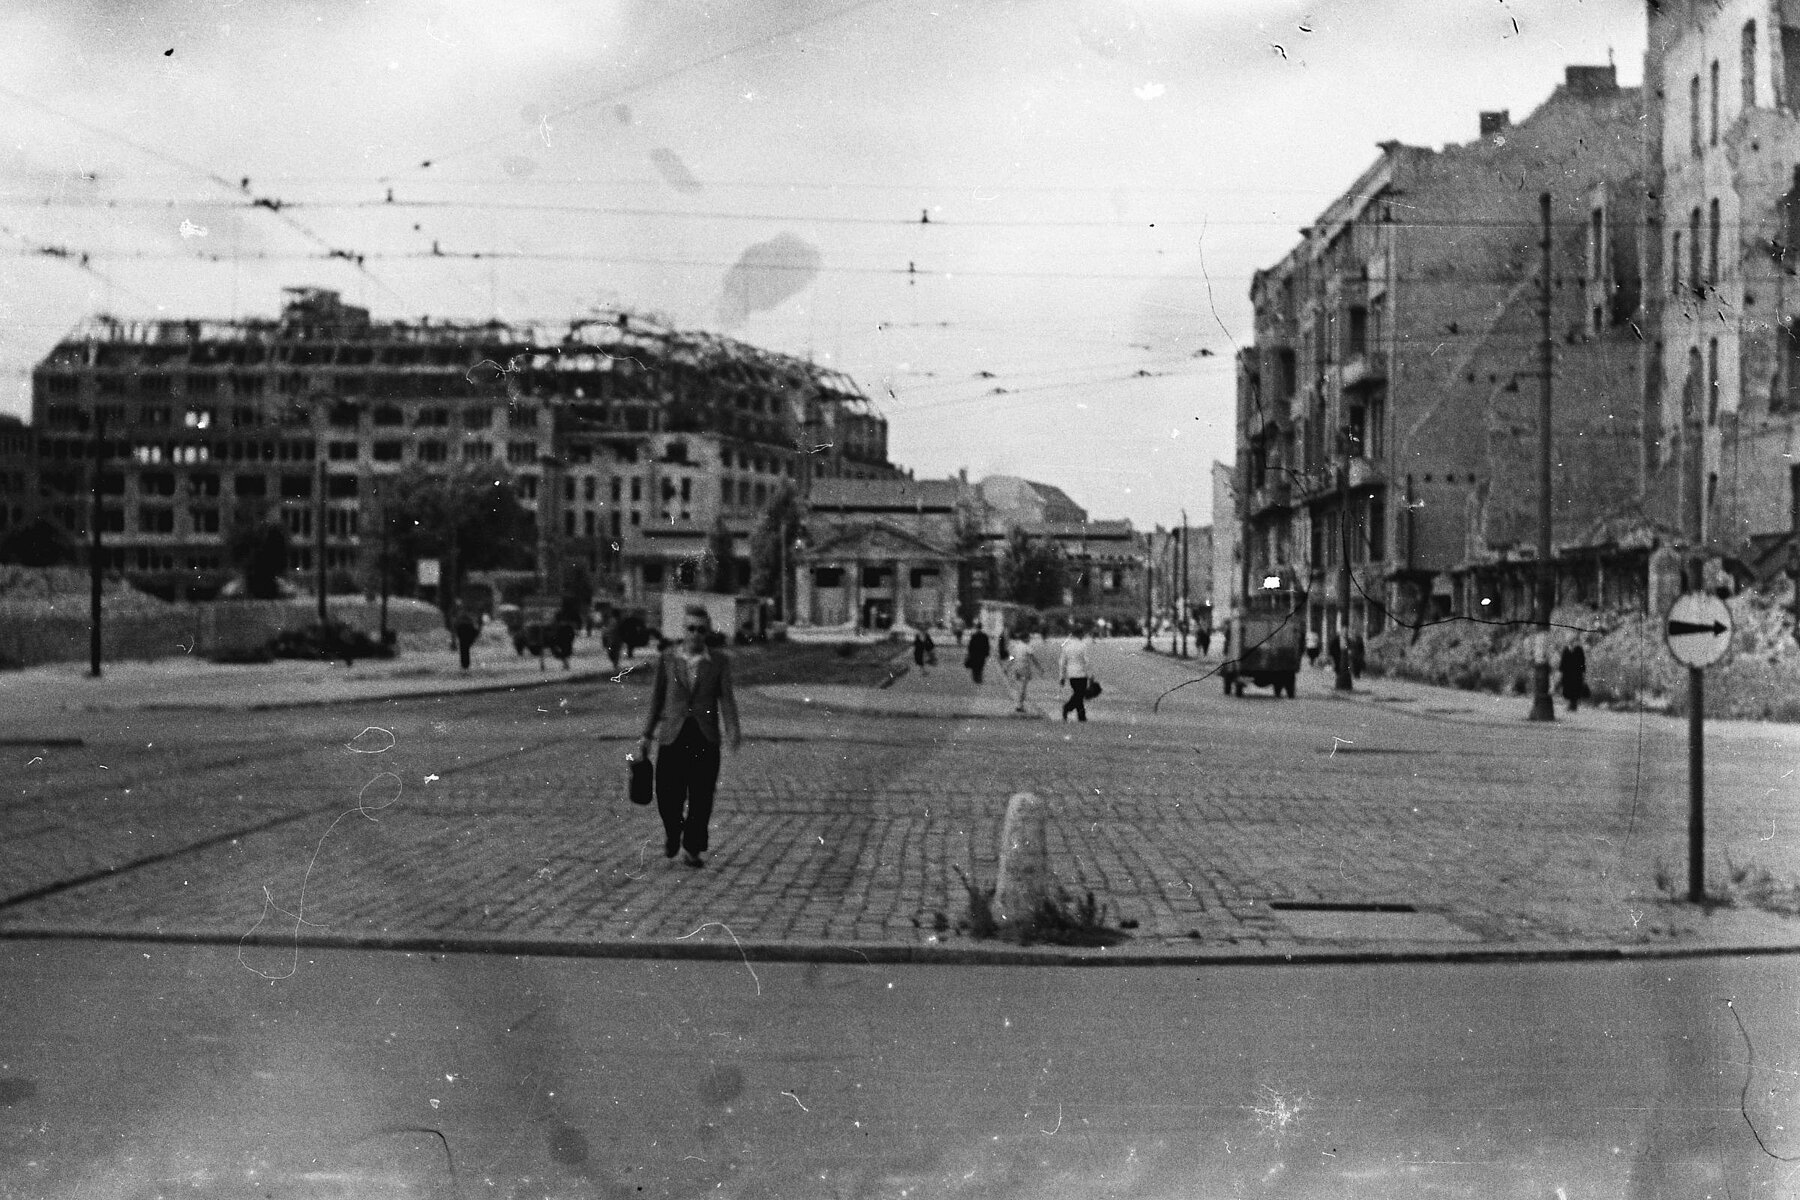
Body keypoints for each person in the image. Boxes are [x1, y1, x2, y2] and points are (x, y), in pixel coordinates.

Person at [637, 605, 742, 868]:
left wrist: (732, 730)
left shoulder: (718, 662)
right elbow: (657, 700)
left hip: (705, 737)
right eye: (690, 628)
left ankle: (693, 848)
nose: (695, 634)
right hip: (672, 736)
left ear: (707, 632)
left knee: (701, 797)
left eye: (701, 629)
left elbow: (727, 700)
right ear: (682, 630)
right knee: (667, 795)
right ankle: (674, 832)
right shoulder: (668, 659)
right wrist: (646, 735)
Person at [1059, 625, 1092, 722]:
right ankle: (1068, 707)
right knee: (1079, 694)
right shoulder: (1082, 645)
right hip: (1081, 673)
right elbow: (1087, 661)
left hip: (1071, 673)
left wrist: (1062, 676)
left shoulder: (1066, 646)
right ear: (1081, 634)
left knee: (1078, 694)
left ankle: (1081, 716)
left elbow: (1062, 662)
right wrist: (1090, 675)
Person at [1009, 636, 1040, 713]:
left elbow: (1012, 657)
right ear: (1025, 639)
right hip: (1024, 668)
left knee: (1019, 687)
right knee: (1023, 688)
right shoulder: (1027, 647)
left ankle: (1018, 704)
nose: (1029, 640)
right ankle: (1019, 705)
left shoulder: (1016, 646)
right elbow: (1033, 658)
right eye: (1028, 638)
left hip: (1016, 668)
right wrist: (1039, 667)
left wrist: (1007, 666)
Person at [1558, 638, 1589, 713]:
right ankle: (1571, 704)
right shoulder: (1566, 649)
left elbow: (1582, 662)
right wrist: (1561, 671)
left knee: (1575, 689)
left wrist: (1583, 672)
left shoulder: (1579, 650)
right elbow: (1563, 661)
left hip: (1576, 673)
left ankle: (1573, 705)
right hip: (1567, 674)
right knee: (1568, 689)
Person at [451, 604, 480, 672]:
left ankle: (465, 664)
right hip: (466, 629)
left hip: (462, 629)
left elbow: (455, 624)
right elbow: (475, 625)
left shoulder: (460, 615)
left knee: (463, 647)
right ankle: (465, 664)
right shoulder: (468, 615)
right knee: (465, 647)